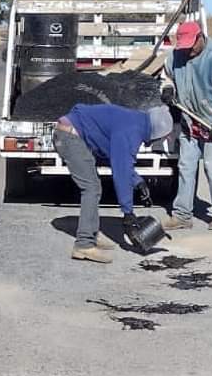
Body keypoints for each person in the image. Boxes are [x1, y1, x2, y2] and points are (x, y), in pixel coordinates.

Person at [53, 103, 174, 263]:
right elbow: (121, 171)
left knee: (93, 186)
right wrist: (128, 213)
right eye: (161, 137)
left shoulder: (135, 121)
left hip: (72, 133)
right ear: (156, 132)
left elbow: (117, 158)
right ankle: (84, 244)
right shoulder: (131, 132)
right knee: (91, 188)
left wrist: (138, 182)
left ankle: (91, 234)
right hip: (69, 137)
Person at [160, 20, 212, 231]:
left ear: (200, 37)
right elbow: (166, 76)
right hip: (190, 122)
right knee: (186, 167)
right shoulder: (177, 54)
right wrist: (168, 88)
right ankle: (182, 216)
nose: (187, 51)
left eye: (191, 45)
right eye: (184, 46)